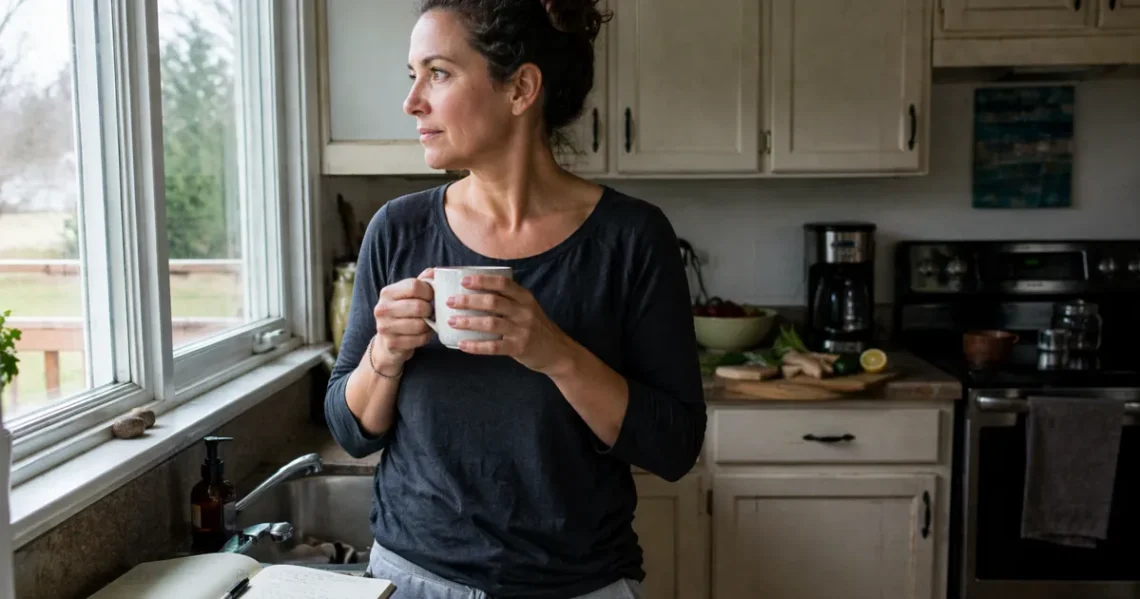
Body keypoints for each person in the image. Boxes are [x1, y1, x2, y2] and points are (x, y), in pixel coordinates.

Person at [323, 0, 706, 597]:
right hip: (414, 580)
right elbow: (351, 430)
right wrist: (383, 355)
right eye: (412, 75)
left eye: (439, 73)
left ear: (521, 87)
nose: (412, 101)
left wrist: (555, 352)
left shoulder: (630, 238)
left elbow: (675, 447)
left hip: (578, 586)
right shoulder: (396, 229)